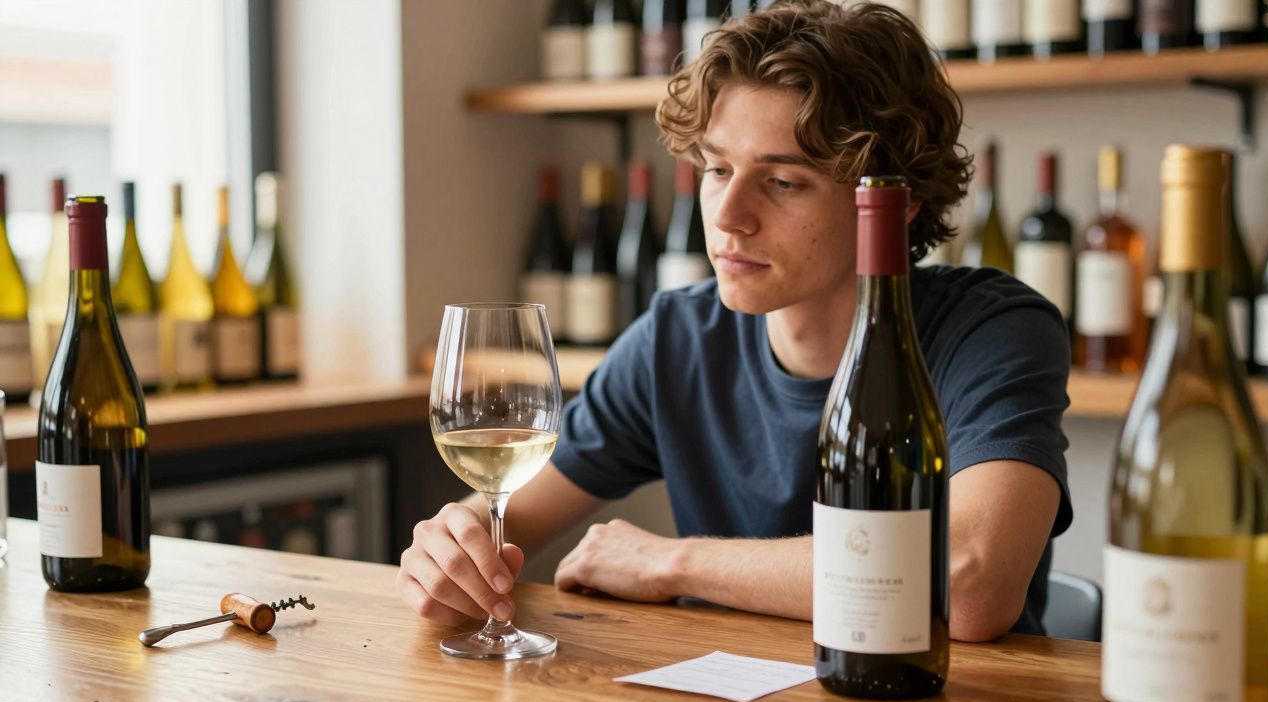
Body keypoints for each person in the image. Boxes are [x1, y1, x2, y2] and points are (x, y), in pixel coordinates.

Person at [397, 0, 1072, 642]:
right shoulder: (676, 341)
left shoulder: (993, 332)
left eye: (782, 181)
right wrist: (453, 543)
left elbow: (971, 580)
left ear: (895, 204)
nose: (725, 216)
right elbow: (509, 513)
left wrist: (673, 565)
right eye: (717, 169)